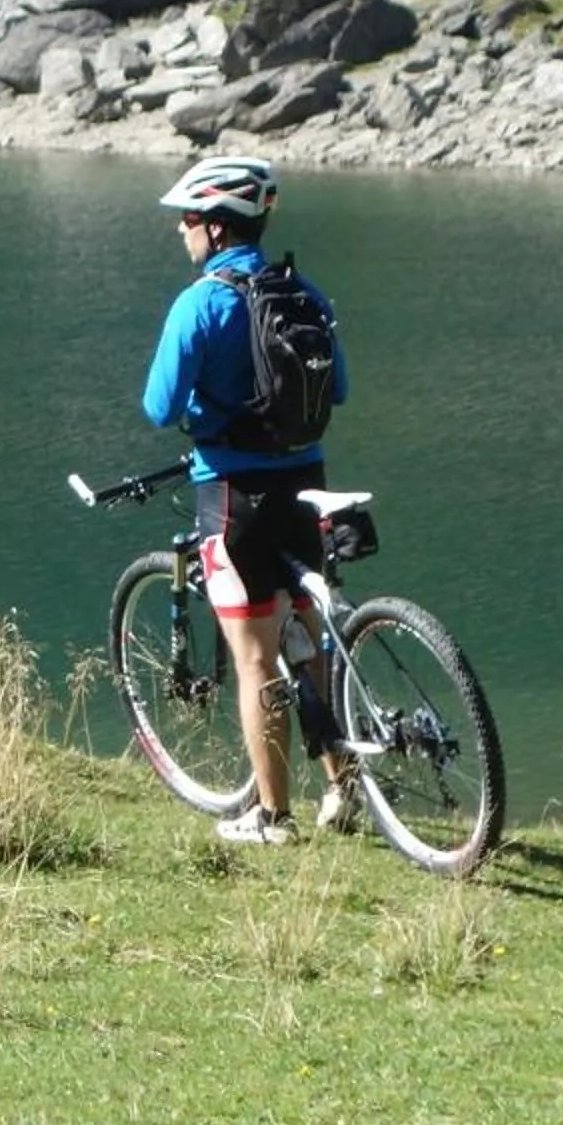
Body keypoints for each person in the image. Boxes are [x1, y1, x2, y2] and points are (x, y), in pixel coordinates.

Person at [139, 154, 353, 846]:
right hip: (307, 482)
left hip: (234, 495)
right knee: (306, 638)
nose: (180, 232)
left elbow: (157, 404)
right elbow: (339, 390)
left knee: (255, 655)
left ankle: (272, 816)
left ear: (215, 227)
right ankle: (342, 787)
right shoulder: (307, 292)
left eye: (188, 220)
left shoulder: (201, 302)